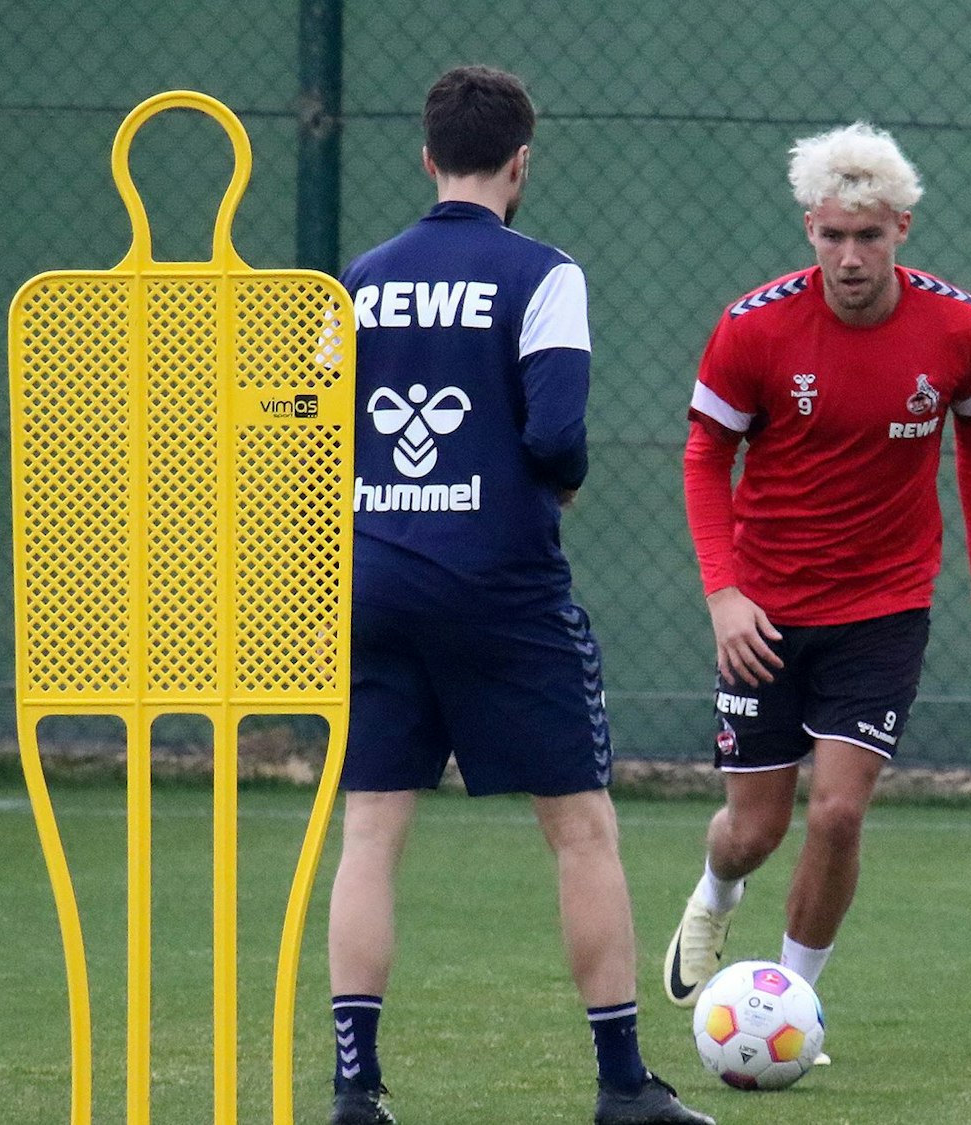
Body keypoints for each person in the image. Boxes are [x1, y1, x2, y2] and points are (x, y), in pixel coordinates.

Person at [327, 65, 712, 1125]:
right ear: (521, 160)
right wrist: (552, 490)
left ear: (425, 156)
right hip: (500, 583)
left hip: (371, 575)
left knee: (370, 830)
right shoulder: (544, 275)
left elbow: (315, 431)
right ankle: (622, 1084)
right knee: (580, 829)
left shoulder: (359, 280)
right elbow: (555, 431)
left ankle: (355, 1089)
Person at [661, 122, 971, 1045]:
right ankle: (715, 892)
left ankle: (788, 1002)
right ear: (809, 230)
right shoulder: (756, 326)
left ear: (902, 228)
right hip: (766, 612)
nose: (850, 256)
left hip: (885, 607)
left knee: (838, 812)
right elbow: (708, 456)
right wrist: (724, 594)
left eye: (869, 235)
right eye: (833, 235)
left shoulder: (960, 325)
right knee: (755, 831)